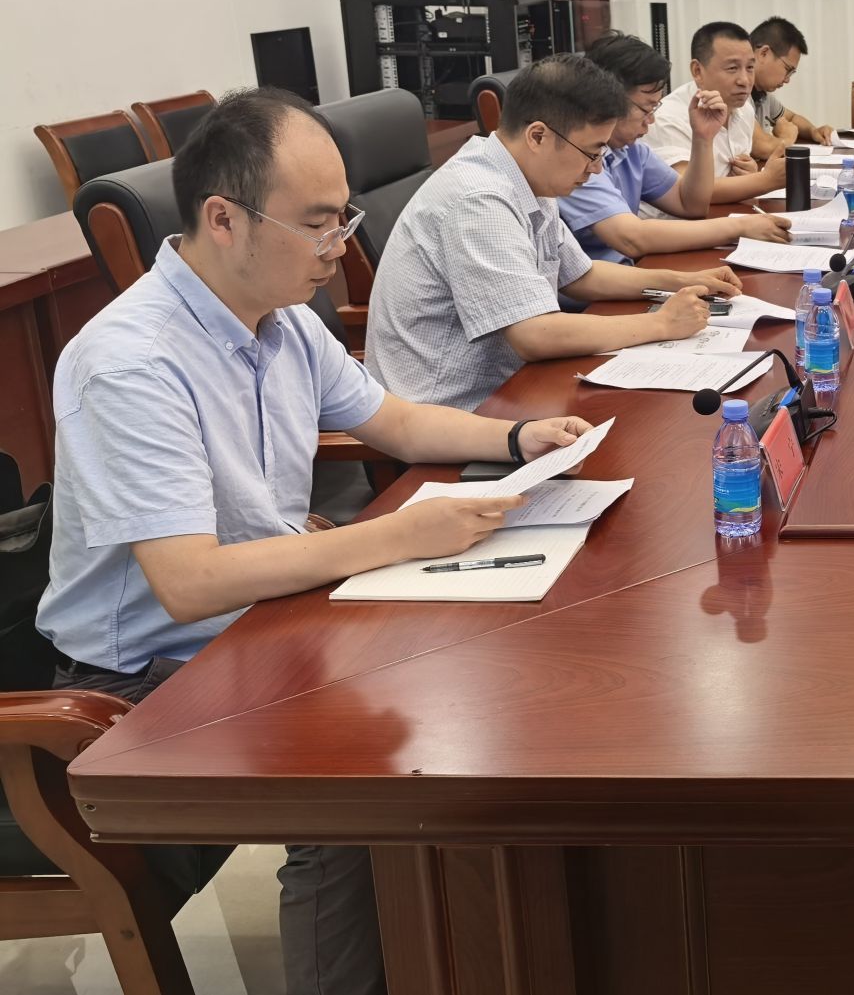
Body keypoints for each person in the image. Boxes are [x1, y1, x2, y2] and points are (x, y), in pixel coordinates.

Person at [35, 89, 598, 995]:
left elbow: (395, 421)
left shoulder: (281, 315)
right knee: (353, 778)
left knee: (478, 677)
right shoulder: (131, 361)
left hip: (262, 619)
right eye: (317, 222)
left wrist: (516, 437)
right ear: (224, 218)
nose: (339, 243)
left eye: (345, 217)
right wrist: (393, 537)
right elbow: (187, 583)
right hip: (141, 682)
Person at [365, 55, 739, 410]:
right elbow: (534, 334)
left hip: (513, 384)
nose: (597, 169)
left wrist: (680, 280)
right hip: (454, 409)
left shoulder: (528, 178)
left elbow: (581, 276)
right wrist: (661, 323)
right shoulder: (479, 200)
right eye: (592, 152)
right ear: (538, 136)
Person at [561, 30, 792, 262]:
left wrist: (703, 138)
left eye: (654, 108)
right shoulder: (578, 157)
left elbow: (692, 205)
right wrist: (739, 226)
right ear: (607, 101)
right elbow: (631, 238)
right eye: (646, 109)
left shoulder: (631, 150)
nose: (651, 120)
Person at [641, 21, 788, 202]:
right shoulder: (667, 118)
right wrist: (764, 180)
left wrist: (747, 175)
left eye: (750, 67)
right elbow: (686, 191)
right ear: (697, 71)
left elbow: (733, 176)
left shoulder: (744, 110)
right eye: (732, 68)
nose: (744, 80)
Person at [751, 16, 835, 145]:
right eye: (787, 69)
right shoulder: (737, 92)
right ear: (764, 53)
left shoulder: (762, 95)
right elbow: (759, 147)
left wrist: (813, 131)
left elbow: (791, 118)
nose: (787, 80)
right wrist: (786, 139)